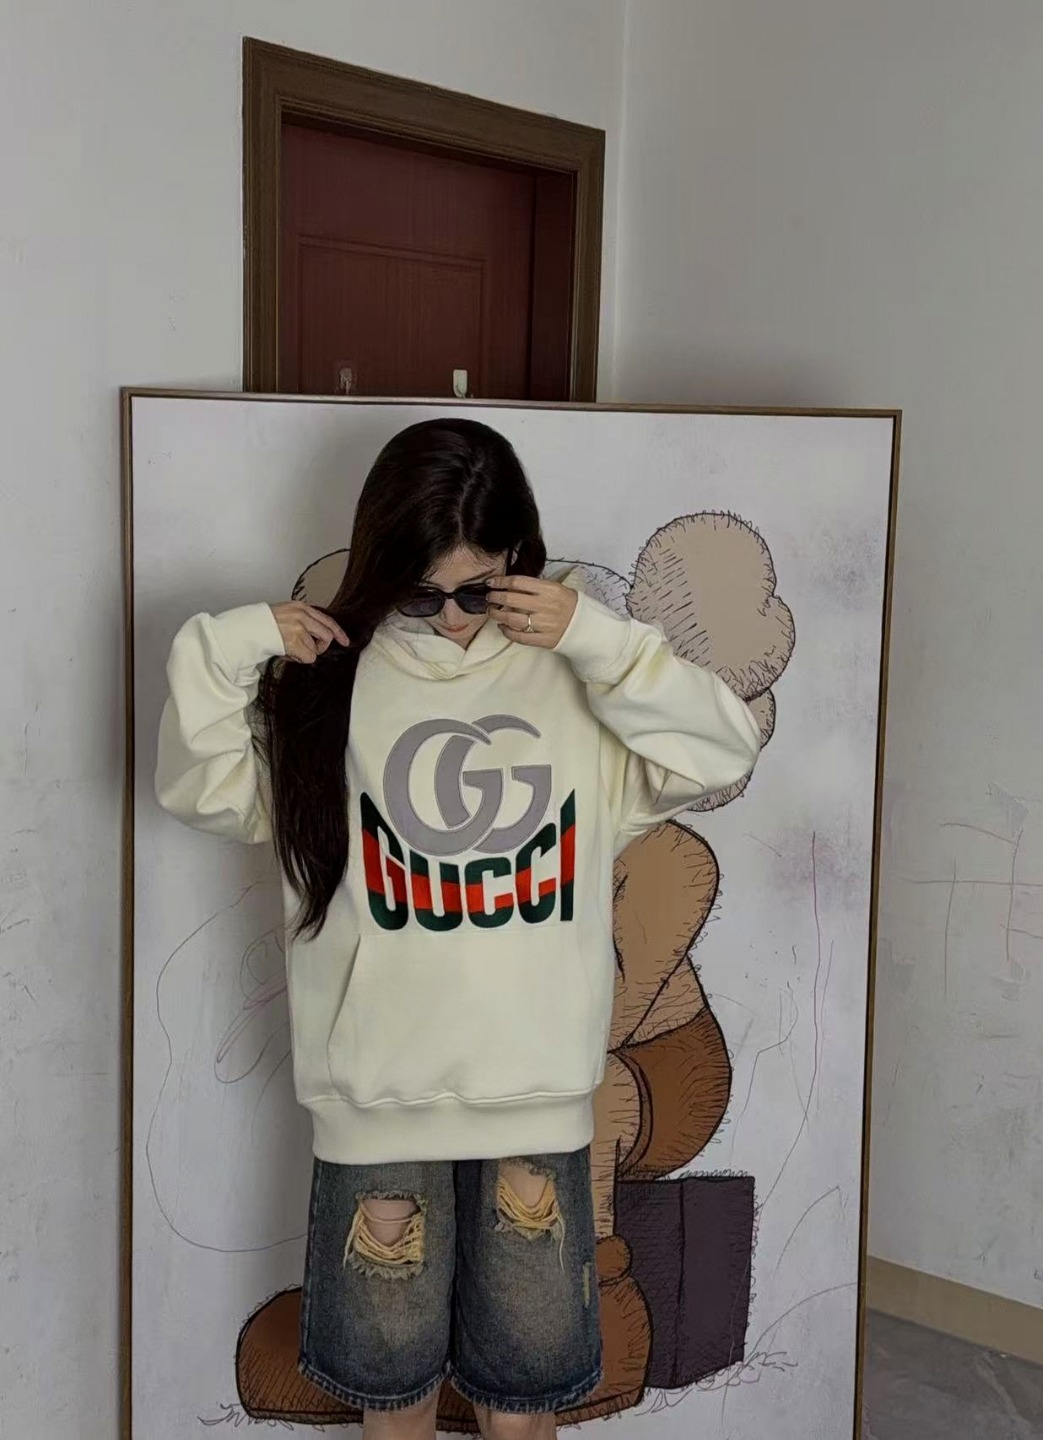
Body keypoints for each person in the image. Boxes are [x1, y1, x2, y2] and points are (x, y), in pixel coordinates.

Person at [155, 417, 761, 1440]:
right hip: (378, 1099)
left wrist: (599, 638)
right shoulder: (331, 685)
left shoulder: (574, 674)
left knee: (522, 1402)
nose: (448, 620)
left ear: (519, 559)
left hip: (535, 1102)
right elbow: (198, 787)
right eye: (418, 593)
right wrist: (236, 640)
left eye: (477, 591)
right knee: (390, 1398)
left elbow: (721, 749)